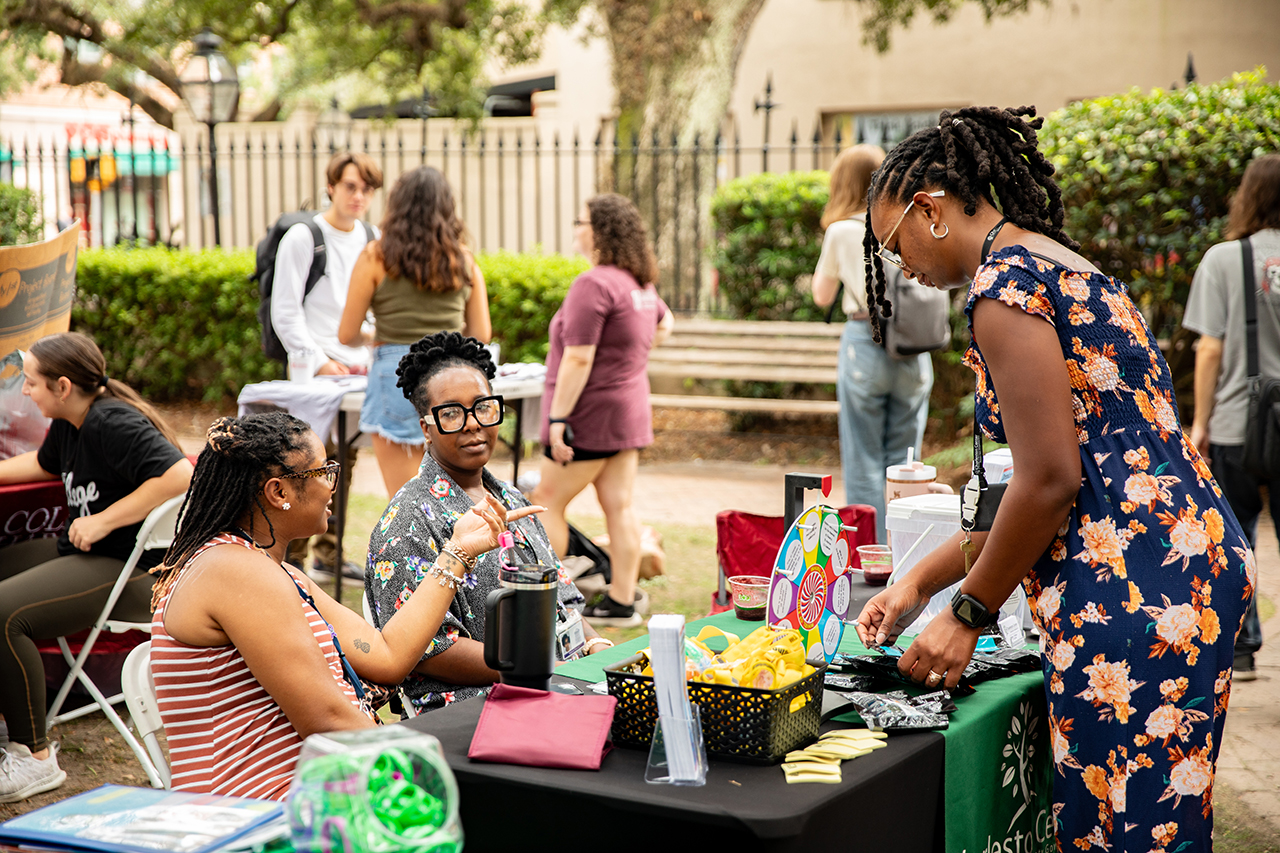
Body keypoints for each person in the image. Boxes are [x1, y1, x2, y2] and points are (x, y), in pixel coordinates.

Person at [852, 106, 1254, 850]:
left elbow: (1050, 482)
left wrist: (965, 616)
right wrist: (916, 585)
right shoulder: (1059, 262)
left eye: (890, 241)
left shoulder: (1002, 291)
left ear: (930, 211)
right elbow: (1049, 486)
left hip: (1134, 583)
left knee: (1126, 831)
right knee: (1154, 816)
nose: (896, 264)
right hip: (1186, 561)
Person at [149, 410, 527, 799]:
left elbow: (387, 656)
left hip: (314, 791)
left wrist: (457, 551)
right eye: (323, 472)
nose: (333, 486)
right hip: (259, 815)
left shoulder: (277, 575)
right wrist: (430, 773)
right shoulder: (234, 571)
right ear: (278, 493)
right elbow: (327, 720)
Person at [365, 332, 612, 714]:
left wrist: (597, 649)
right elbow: (430, 651)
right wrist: (541, 671)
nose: (472, 424)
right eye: (450, 413)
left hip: (560, 685)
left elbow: (564, 605)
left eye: (483, 407)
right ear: (425, 427)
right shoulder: (407, 522)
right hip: (480, 706)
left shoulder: (511, 498)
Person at [0, 332, 192, 803]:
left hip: (131, 571)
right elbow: (42, 465)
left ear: (62, 386)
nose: (25, 392)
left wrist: (105, 519)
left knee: (5, 613)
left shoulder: (111, 422)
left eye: (32, 383)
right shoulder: (70, 422)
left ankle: (35, 759)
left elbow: (181, 474)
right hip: (89, 554)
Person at [531, 194, 673, 627]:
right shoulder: (639, 284)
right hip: (628, 411)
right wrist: (627, 361)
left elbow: (578, 358)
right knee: (619, 506)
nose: (576, 228)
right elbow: (666, 325)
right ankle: (622, 601)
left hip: (588, 416)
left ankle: (545, 602)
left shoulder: (593, 283)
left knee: (546, 503)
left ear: (599, 231)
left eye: (580, 221)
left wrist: (557, 420)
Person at [1183, 152, 1280, 682]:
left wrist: (1200, 422)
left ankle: (1240, 650)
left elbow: (1210, 350)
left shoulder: (1224, 259)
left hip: (1238, 425)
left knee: (1234, 537)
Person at [338, 165, 491, 498]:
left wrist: (373, 335)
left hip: (393, 375)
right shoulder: (463, 260)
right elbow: (481, 333)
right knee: (453, 498)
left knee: (406, 500)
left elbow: (346, 333)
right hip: (450, 377)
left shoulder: (376, 258)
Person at [813, 144, 932, 542]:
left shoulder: (842, 231)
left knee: (863, 459)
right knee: (905, 459)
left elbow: (821, 296)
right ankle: (903, 550)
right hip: (914, 349)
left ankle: (869, 555)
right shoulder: (905, 223)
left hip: (866, 342)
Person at [273, 151, 384, 580]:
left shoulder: (371, 238)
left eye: (367, 188)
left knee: (346, 462)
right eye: (351, 186)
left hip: (356, 371)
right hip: (314, 373)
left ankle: (329, 553)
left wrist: (368, 350)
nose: (358, 196)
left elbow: (371, 309)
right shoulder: (304, 237)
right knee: (305, 464)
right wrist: (320, 362)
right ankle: (292, 559)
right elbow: (285, 311)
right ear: (331, 186)